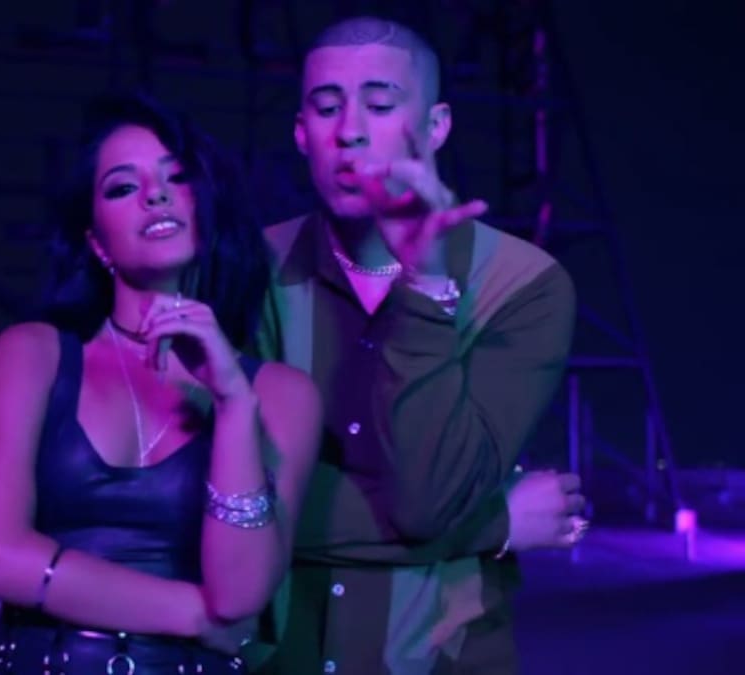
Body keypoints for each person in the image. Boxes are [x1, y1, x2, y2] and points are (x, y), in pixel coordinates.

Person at [242, 16, 588, 675]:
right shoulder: (250, 270)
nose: (349, 130)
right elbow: (224, 509)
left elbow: (428, 500)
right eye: (326, 107)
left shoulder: (524, 285)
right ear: (300, 132)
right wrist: (493, 523)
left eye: (379, 105)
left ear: (435, 127)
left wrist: (427, 286)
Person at [0, 92, 323, 674]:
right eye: (123, 187)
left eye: (176, 178)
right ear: (96, 241)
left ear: (207, 206)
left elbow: (240, 596)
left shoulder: (282, 394)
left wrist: (234, 404)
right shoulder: (32, 355)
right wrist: (195, 615)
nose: (155, 194)